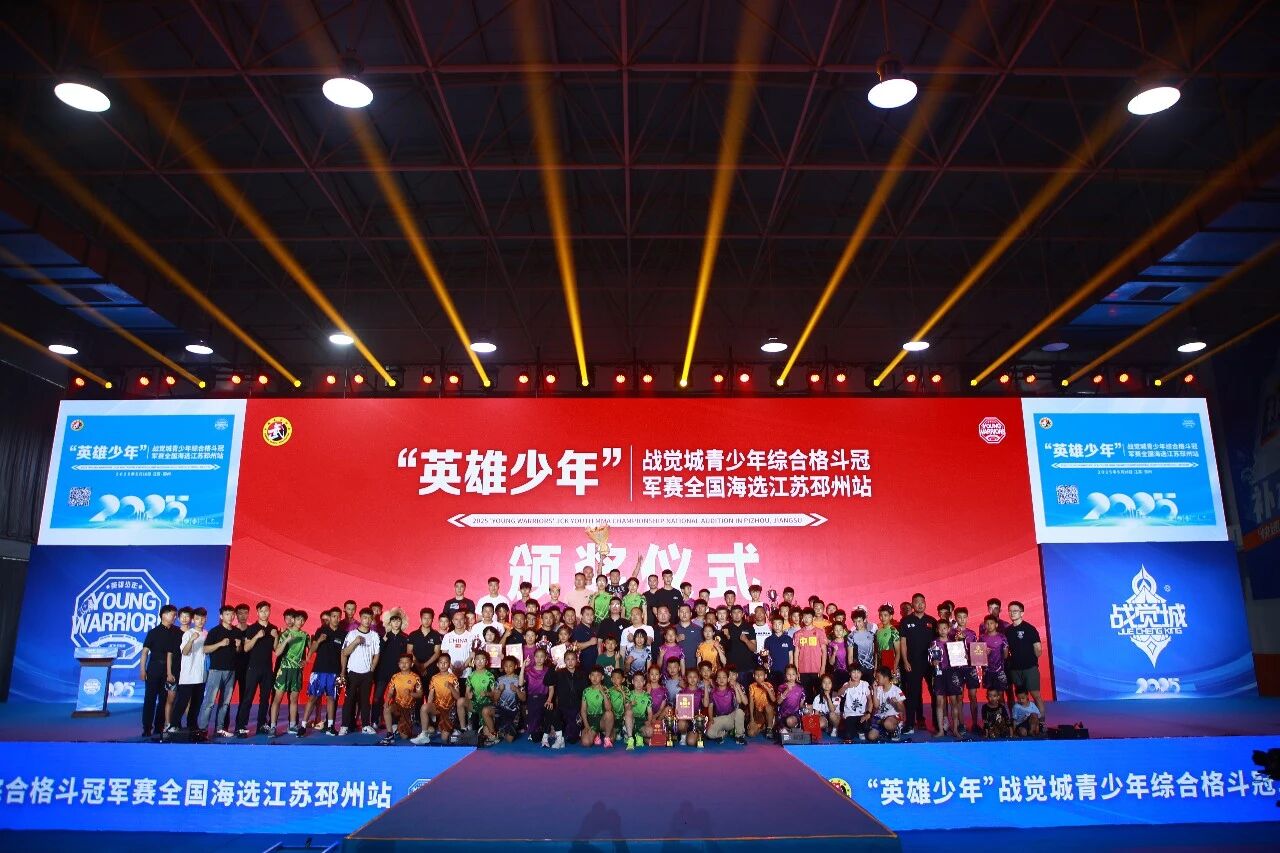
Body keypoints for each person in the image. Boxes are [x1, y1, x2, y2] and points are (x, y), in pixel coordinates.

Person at [235, 601, 279, 737]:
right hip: (253, 668)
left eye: (266, 611)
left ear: (269, 611)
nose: (264, 613)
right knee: (248, 698)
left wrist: (276, 637)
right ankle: (241, 726)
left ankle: (261, 725)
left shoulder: (273, 628)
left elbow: (276, 650)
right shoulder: (252, 628)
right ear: (257, 612)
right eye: (262, 611)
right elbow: (246, 648)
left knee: (265, 699)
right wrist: (257, 636)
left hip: (267, 668)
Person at [196, 605, 239, 740]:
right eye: (227, 614)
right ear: (221, 616)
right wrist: (220, 644)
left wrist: (238, 646)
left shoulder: (236, 631)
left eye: (232, 614)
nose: (230, 617)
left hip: (231, 670)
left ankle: (219, 729)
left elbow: (238, 652)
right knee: (209, 701)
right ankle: (202, 730)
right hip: (216, 671)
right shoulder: (215, 631)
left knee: (225, 703)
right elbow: (205, 649)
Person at [897, 593, 937, 736]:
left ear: (925, 603)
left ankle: (937, 724)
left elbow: (937, 643)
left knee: (935, 693)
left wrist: (936, 661)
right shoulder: (906, 621)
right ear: (912, 604)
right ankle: (909, 724)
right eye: (917, 602)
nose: (920, 605)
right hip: (912, 663)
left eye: (922, 602)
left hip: (930, 663)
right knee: (912, 694)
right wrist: (905, 661)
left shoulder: (932, 621)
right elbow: (903, 643)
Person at [339, 607, 381, 735]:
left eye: (369, 618)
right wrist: (355, 642)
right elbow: (344, 653)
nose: (367, 620)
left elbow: (376, 654)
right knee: (349, 700)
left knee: (365, 701)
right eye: (364, 618)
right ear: (360, 618)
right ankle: (344, 726)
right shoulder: (352, 634)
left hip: (367, 673)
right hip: (352, 672)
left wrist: (371, 670)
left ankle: (365, 725)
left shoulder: (374, 635)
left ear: (372, 619)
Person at [140, 604, 179, 738]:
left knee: (164, 700)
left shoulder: (176, 632)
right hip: (154, 669)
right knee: (150, 699)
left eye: (175, 615)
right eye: (172, 614)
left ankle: (159, 727)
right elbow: (145, 652)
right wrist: (142, 670)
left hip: (169, 671)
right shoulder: (153, 632)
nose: (174, 617)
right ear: (163, 615)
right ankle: (146, 728)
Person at [268, 609, 310, 735]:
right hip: (284, 670)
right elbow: (277, 652)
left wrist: (306, 660)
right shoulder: (285, 634)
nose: (300, 622)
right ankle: (273, 727)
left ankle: (292, 725)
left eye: (303, 620)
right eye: (298, 619)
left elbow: (310, 650)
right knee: (277, 699)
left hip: (296, 671)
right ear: (294, 620)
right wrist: (287, 640)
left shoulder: (305, 635)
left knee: (294, 699)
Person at [302, 608, 343, 734]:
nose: (336, 619)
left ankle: (330, 726)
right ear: (330, 617)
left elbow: (343, 654)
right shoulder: (321, 630)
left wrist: (342, 672)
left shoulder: (343, 634)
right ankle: (302, 726)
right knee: (313, 698)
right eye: (334, 616)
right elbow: (313, 649)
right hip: (319, 670)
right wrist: (319, 640)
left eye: (338, 616)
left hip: (334, 671)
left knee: (331, 698)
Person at [1005, 601, 1045, 721]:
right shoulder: (1008, 631)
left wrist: (1029, 659)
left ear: (1022, 613)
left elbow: (1038, 649)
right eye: (1010, 611)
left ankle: (1041, 722)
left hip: (1029, 668)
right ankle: (1020, 722)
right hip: (1015, 669)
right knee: (1020, 696)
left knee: (1036, 695)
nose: (1012, 613)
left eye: (1015, 611)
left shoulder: (1029, 629)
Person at [173, 607, 208, 738]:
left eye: (203, 618)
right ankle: (174, 725)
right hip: (188, 676)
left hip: (202, 675)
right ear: (193, 620)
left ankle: (192, 726)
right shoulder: (188, 633)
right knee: (182, 702)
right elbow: (185, 652)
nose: (200, 621)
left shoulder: (207, 633)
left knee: (196, 703)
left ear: (206, 619)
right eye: (197, 619)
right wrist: (191, 640)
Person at [545, 649, 589, 749]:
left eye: (573, 659)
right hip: (562, 707)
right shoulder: (559, 673)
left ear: (576, 660)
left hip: (576, 708)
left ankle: (574, 730)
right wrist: (552, 667)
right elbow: (547, 681)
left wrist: (583, 709)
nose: (570, 662)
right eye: (568, 659)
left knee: (572, 739)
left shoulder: (582, 674)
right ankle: (559, 737)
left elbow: (586, 692)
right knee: (554, 713)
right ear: (564, 661)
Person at [373, 611, 410, 728]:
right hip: (382, 672)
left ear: (402, 622)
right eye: (394, 620)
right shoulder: (383, 637)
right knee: (378, 696)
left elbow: (406, 657)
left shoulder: (405, 638)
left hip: (397, 673)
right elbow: (378, 653)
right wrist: (383, 640)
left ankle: (395, 721)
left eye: (398, 620)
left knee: (396, 698)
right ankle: (375, 720)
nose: (396, 623)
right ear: (389, 622)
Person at [378, 654, 423, 745]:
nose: (404, 664)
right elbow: (390, 692)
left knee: (404, 737)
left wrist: (411, 693)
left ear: (411, 664)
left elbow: (420, 694)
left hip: (409, 708)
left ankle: (401, 726)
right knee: (387, 709)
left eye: (406, 662)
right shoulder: (395, 677)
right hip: (397, 705)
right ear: (398, 664)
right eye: (401, 662)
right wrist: (386, 701)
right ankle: (390, 733)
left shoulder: (415, 677)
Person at [927, 619, 959, 737]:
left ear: (948, 629)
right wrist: (933, 662)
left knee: (953, 702)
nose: (942, 631)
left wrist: (963, 656)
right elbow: (930, 659)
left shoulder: (954, 644)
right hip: (939, 674)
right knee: (939, 702)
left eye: (945, 628)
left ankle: (955, 729)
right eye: (940, 628)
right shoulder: (934, 643)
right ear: (937, 630)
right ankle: (940, 730)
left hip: (951, 674)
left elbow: (960, 659)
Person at [951, 607, 981, 734]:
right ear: (955, 618)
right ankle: (961, 724)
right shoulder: (951, 633)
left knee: (973, 696)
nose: (962, 620)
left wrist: (972, 656)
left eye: (964, 617)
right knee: (959, 697)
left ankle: (975, 724)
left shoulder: (972, 634)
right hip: (957, 669)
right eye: (959, 617)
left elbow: (976, 651)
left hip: (970, 668)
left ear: (967, 618)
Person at [462, 650, 499, 745]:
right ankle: (464, 728)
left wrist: (487, 693)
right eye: (477, 659)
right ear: (474, 661)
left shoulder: (490, 676)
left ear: (486, 662)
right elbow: (466, 694)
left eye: (482, 659)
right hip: (475, 705)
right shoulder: (470, 676)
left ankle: (494, 734)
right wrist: (468, 695)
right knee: (460, 701)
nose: (480, 662)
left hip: (487, 705)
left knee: (487, 734)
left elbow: (495, 694)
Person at [422, 654, 460, 742]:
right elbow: (431, 695)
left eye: (445, 663)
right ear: (437, 664)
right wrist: (429, 709)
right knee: (424, 707)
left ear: (449, 664)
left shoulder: (453, 678)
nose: (443, 665)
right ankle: (424, 733)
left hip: (449, 709)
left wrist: (451, 687)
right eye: (441, 663)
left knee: (444, 738)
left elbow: (458, 697)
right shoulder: (434, 678)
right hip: (437, 707)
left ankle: (452, 728)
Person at [705, 668, 748, 744]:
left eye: (724, 677)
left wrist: (736, 688)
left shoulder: (731, 690)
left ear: (728, 679)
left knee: (740, 712)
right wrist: (711, 719)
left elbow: (739, 701)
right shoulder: (713, 692)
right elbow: (710, 707)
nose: (721, 679)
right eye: (719, 677)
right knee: (709, 734)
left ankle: (739, 736)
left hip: (730, 718)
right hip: (719, 718)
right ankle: (722, 734)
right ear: (716, 680)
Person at [720, 605, 757, 689]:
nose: (736, 615)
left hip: (747, 668)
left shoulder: (749, 627)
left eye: (739, 612)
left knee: (747, 692)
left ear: (743, 614)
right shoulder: (725, 628)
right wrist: (728, 637)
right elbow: (723, 650)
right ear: (730, 615)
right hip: (731, 669)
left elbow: (754, 648)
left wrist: (746, 640)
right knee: (732, 693)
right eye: (734, 612)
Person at [793, 608, 827, 698]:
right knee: (807, 696)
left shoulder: (820, 632)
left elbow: (824, 651)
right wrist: (796, 670)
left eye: (809, 617)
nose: (806, 619)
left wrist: (823, 668)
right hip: (803, 670)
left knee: (819, 696)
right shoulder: (798, 634)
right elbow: (796, 653)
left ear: (813, 618)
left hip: (817, 669)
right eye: (804, 617)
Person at [579, 667, 615, 748]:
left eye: (598, 675)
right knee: (586, 743)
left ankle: (606, 738)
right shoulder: (586, 691)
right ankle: (596, 734)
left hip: (602, 720)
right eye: (593, 675)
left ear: (602, 677)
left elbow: (608, 709)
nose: (595, 678)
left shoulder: (605, 689)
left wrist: (603, 693)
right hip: (591, 720)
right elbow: (583, 710)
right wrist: (586, 725)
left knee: (609, 714)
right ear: (589, 676)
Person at [868, 666, 905, 742]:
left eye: (878, 677)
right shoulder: (878, 689)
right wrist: (874, 690)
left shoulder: (896, 690)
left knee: (888, 724)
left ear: (886, 678)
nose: (876, 679)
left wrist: (896, 703)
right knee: (871, 737)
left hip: (892, 717)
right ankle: (884, 731)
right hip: (880, 717)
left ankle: (896, 729)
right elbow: (876, 706)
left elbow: (902, 709)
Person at [836, 667, 872, 742]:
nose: (856, 675)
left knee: (866, 726)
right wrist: (846, 687)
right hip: (850, 715)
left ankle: (860, 731)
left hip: (861, 714)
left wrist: (868, 713)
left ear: (861, 674)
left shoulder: (865, 684)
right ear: (850, 673)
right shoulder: (846, 684)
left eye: (858, 672)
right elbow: (838, 694)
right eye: (853, 672)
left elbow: (870, 700)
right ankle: (855, 729)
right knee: (848, 736)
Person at [525, 646, 553, 743]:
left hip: (543, 698)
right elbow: (521, 683)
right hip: (531, 699)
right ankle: (533, 731)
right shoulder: (528, 671)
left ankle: (545, 732)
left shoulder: (548, 670)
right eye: (537, 656)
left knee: (543, 717)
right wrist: (523, 667)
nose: (539, 659)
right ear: (534, 657)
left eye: (542, 656)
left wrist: (549, 699)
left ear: (545, 658)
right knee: (535, 737)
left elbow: (551, 688)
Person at [980, 614, 1010, 702]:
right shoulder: (982, 638)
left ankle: (1001, 711)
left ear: (996, 625)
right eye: (987, 623)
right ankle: (991, 711)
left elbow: (1005, 656)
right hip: (987, 671)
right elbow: (978, 655)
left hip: (999, 671)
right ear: (984, 625)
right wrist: (984, 653)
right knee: (990, 695)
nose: (989, 625)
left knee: (1000, 695)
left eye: (991, 623)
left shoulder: (1002, 637)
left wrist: (1004, 650)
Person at [494, 656, 525, 742]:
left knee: (509, 740)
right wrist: (500, 690)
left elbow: (523, 699)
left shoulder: (519, 680)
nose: (508, 668)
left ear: (515, 666)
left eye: (510, 666)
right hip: (501, 710)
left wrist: (517, 690)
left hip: (514, 712)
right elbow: (495, 699)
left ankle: (513, 728)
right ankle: (498, 731)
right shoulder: (500, 680)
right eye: (506, 666)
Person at [407, 607, 443, 676]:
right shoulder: (413, 634)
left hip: (431, 669)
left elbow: (437, 653)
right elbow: (409, 652)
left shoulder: (436, 635)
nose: (427, 621)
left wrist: (424, 665)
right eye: (424, 618)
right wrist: (418, 666)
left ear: (432, 620)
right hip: (415, 669)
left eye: (429, 618)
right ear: (420, 619)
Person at [623, 671, 654, 749]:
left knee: (650, 732)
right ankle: (630, 738)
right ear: (632, 682)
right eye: (636, 680)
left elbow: (650, 712)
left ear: (644, 682)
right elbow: (626, 710)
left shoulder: (648, 696)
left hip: (641, 721)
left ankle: (638, 735)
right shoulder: (629, 694)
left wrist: (649, 721)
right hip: (631, 720)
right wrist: (630, 704)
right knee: (629, 712)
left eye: (641, 681)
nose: (639, 683)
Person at [763, 615, 795, 687]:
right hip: (772, 671)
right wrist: (765, 663)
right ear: (772, 625)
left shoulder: (788, 639)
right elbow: (766, 655)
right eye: (775, 624)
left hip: (785, 671)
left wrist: (790, 670)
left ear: (783, 624)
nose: (777, 626)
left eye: (779, 624)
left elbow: (790, 655)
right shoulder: (768, 640)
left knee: (785, 691)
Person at [775, 665, 806, 733]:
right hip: (783, 715)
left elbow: (801, 705)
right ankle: (786, 728)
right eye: (788, 674)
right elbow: (778, 702)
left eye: (793, 674)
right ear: (785, 675)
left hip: (794, 715)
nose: (791, 676)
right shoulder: (781, 687)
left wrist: (806, 707)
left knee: (790, 721)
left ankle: (795, 726)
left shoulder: (800, 688)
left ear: (796, 675)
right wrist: (786, 691)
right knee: (782, 731)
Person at [848, 609, 877, 682]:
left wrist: (876, 668)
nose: (857, 624)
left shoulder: (872, 634)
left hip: (871, 669)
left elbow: (875, 653)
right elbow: (850, 656)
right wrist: (852, 672)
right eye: (854, 622)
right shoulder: (851, 636)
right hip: (858, 670)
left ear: (864, 620)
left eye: (859, 621)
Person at [746, 666, 776, 737]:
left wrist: (767, 688)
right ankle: (762, 727)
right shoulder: (752, 686)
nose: (759, 677)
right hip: (758, 714)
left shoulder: (769, 685)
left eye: (761, 675)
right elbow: (751, 703)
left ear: (765, 676)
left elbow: (774, 700)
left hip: (768, 713)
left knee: (768, 707)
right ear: (753, 676)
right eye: (757, 675)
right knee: (750, 733)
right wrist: (752, 719)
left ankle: (769, 728)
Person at [809, 673, 841, 737]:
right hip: (824, 717)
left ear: (832, 684)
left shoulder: (836, 695)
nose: (827, 685)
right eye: (824, 682)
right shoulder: (818, 697)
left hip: (835, 717)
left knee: (832, 714)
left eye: (829, 683)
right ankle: (827, 727)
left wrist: (828, 697)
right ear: (821, 684)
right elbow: (816, 713)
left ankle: (835, 728)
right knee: (820, 723)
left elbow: (832, 710)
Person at [826, 622, 851, 689]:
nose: (838, 632)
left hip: (849, 672)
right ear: (833, 631)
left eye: (840, 630)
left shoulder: (848, 642)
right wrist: (834, 652)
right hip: (837, 673)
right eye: (836, 630)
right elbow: (831, 663)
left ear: (843, 630)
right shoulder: (831, 644)